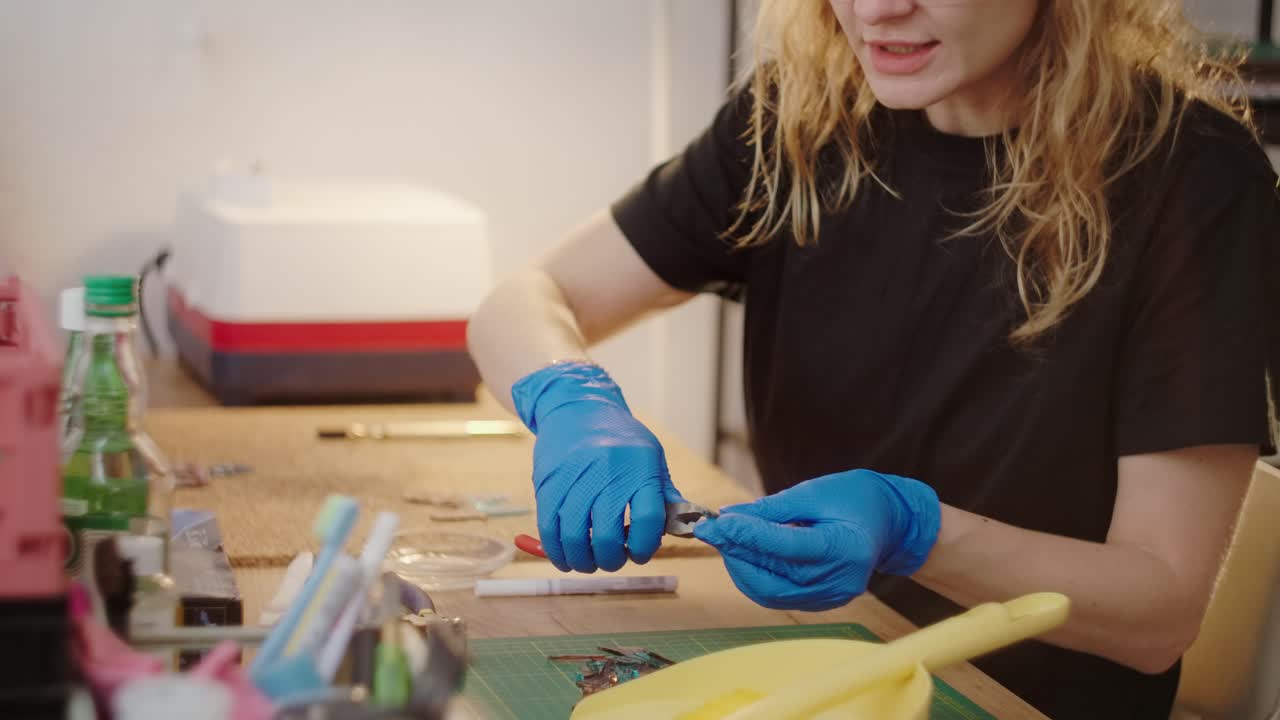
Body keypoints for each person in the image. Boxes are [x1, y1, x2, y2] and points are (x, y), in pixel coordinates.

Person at [466, 1, 1280, 717]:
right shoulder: (804, 118)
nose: (875, 9)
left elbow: (1160, 612)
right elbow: (521, 302)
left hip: (1023, 701)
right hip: (812, 664)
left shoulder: (1190, 180)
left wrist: (916, 531)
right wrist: (568, 396)